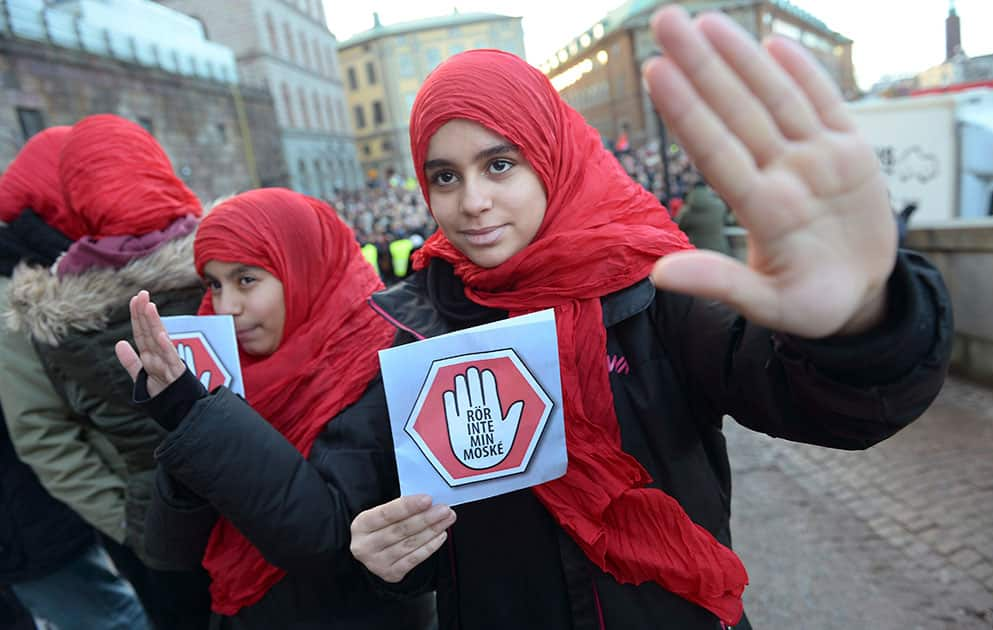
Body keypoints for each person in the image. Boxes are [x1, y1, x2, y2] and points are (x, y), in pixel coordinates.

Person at [347, 7, 953, 630]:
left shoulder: (653, 282)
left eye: (500, 164)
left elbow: (809, 400)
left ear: (550, 156)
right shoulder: (413, 323)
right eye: (444, 176)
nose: (472, 202)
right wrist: (384, 555)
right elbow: (412, 519)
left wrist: (860, 322)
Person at [114, 189, 436, 628]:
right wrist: (187, 422)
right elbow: (170, 551)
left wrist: (197, 419)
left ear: (302, 268)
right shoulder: (223, 372)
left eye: (246, 279)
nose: (226, 308)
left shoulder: (379, 363)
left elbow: (326, 541)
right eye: (214, 284)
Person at [4, 114, 212, 629]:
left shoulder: (54, 293)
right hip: (172, 515)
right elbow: (43, 433)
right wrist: (128, 522)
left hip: (171, 512)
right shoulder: (28, 300)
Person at [0, 126, 152, 630]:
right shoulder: (19, 290)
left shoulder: (63, 262)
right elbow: (42, 430)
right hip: (54, 521)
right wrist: (129, 524)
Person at [675, 180, 733, 255]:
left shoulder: (686, 210)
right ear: (707, 189)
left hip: (696, 251)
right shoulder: (719, 206)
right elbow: (728, 221)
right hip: (718, 251)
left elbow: (678, 227)